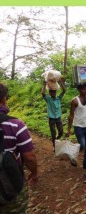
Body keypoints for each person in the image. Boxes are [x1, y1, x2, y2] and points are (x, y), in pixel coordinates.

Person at [0, 82, 38, 214]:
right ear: (4, 99)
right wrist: (34, 172)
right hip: (9, 185)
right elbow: (29, 157)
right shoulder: (15, 125)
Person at [66, 66, 86, 169]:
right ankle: (72, 156)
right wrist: (69, 130)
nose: (85, 90)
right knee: (82, 145)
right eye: (83, 89)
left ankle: (85, 163)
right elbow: (71, 116)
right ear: (79, 89)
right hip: (78, 127)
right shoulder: (74, 101)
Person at [41, 78, 66, 151]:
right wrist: (44, 84)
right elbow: (42, 93)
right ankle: (54, 146)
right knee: (53, 133)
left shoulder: (59, 98)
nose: (53, 94)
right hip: (51, 118)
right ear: (50, 93)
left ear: (55, 93)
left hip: (58, 118)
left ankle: (56, 140)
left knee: (61, 132)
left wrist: (61, 82)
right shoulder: (48, 99)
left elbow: (64, 90)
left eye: (54, 92)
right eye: (51, 93)